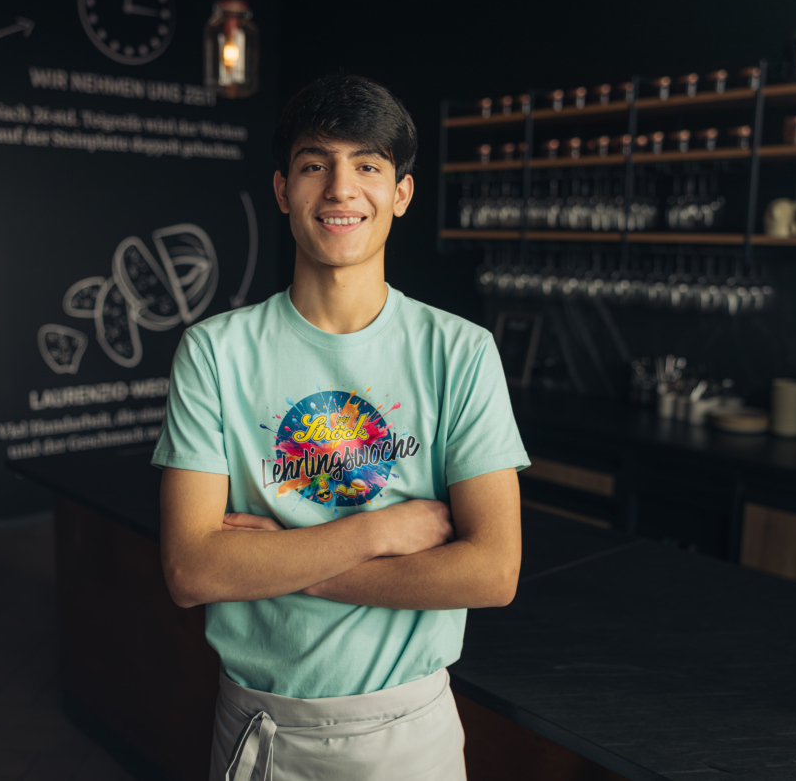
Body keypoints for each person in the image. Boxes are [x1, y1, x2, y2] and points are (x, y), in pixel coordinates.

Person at [151, 74, 531, 781]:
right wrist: (378, 532)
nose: (339, 189)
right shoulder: (215, 351)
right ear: (281, 189)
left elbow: (493, 569)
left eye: (368, 165)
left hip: (409, 732)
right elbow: (191, 568)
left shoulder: (459, 351)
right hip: (260, 726)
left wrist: (285, 564)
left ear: (401, 193)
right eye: (313, 164)